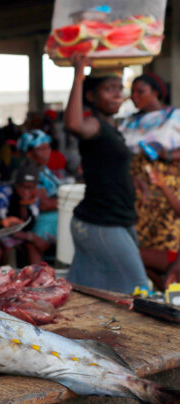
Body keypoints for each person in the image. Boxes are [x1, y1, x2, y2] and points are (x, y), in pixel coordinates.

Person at [63, 53, 149, 293]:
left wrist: (132, 180)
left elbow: (107, 166)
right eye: (109, 89)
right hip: (100, 222)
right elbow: (74, 124)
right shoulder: (95, 125)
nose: (117, 94)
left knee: (89, 292)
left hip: (115, 219)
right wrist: (78, 76)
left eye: (119, 88)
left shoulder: (113, 128)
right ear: (91, 96)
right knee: (138, 289)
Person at [119, 73, 180, 287]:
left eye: (141, 91)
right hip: (137, 191)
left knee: (167, 242)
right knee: (136, 246)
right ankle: (158, 287)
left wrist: (167, 154)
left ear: (156, 92)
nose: (135, 96)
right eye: (132, 92)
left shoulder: (174, 116)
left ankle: (169, 288)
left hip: (166, 191)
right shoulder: (129, 121)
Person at [0, 164, 49, 265]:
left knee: (34, 248)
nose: (26, 192)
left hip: (21, 236)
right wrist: (31, 237)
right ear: (16, 185)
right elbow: (4, 227)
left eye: (30, 188)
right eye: (23, 187)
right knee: (6, 249)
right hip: (1, 235)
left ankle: (37, 273)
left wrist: (24, 206)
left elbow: (29, 224)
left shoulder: (34, 197)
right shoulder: (3, 194)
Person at [18, 130, 60, 242]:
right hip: (44, 224)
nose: (48, 152)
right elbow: (44, 205)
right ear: (29, 153)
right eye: (42, 149)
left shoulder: (43, 168)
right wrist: (72, 202)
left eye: (48, 147)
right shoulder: (30, 173)